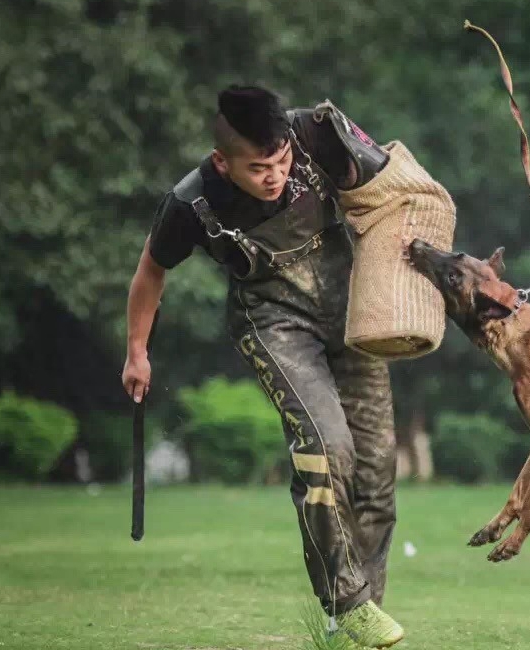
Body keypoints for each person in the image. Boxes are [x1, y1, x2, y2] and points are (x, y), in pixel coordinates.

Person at [121, 84, 405, 648]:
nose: (275, 175)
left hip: (353, 313)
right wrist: (137, 350)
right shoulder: (192, 202)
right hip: (274, 325)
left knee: (376, 471)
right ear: (224, 163)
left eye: (281, 161)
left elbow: (395, 183)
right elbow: (150, 271)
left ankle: (359, 618)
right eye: (258, 168)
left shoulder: (317, 132)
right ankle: (344, 601)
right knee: (328, 452)